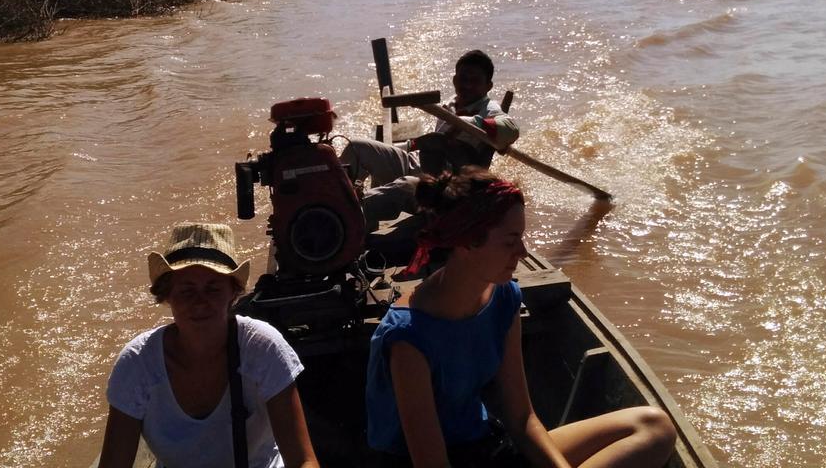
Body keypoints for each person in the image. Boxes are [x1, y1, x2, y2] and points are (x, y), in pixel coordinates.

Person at [365, 169, 676, 467]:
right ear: (468, 243)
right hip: (434, 461)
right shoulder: (409, 337)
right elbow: (432, 463)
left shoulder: (504, 297)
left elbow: (521, 419)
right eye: (510, 240)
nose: (523, 252)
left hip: (483, 447)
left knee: (653, 427)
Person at [98, 223, 320, 468]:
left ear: (232, 293)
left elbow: (303, 460)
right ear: (167, 295)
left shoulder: (262, 347)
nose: (200, 303)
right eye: (186, 291)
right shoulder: (137, 363)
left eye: (213, 288)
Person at [341, 49, 520, 225]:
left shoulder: (490, 110)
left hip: (444, 188)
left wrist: (469, 123)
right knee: (356, 148)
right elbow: (426, 143)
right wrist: (406, 147)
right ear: (454, 80)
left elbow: (512, 129)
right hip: (418, 163)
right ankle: (337, 198)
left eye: (475, 81)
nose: (467, 85)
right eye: (463, 79)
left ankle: (343, 216)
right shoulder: (451, 102)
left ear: (488, 86)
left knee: (403, 187)